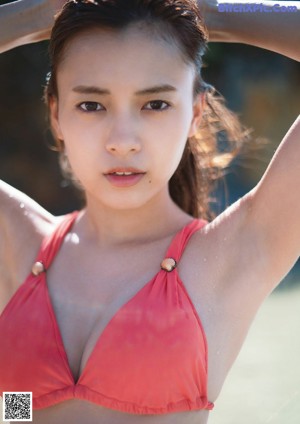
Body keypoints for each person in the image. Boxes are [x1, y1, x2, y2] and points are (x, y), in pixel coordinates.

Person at [0, 0, 299, 423]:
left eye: (155, 104)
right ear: (56, 115)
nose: (123, 140)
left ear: (194, 113)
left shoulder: (226, 261)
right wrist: (38, 12)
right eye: (91, 105)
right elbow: (18, 412)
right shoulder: (16, 247)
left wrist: (211, 14)